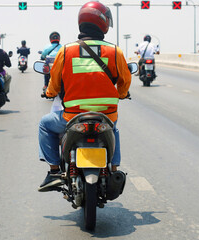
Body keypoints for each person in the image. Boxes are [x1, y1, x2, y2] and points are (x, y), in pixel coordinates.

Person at [38, 1, 132, 192]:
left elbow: (54, 85)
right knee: (113, 129)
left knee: (45, 124)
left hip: (71, 118)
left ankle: (54, 171)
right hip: (106, 117)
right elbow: (124, 82)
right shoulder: (115, 52)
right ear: (103, 23)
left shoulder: (66, 51)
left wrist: (48, 93)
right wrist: (121, 94)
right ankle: (114, 169)